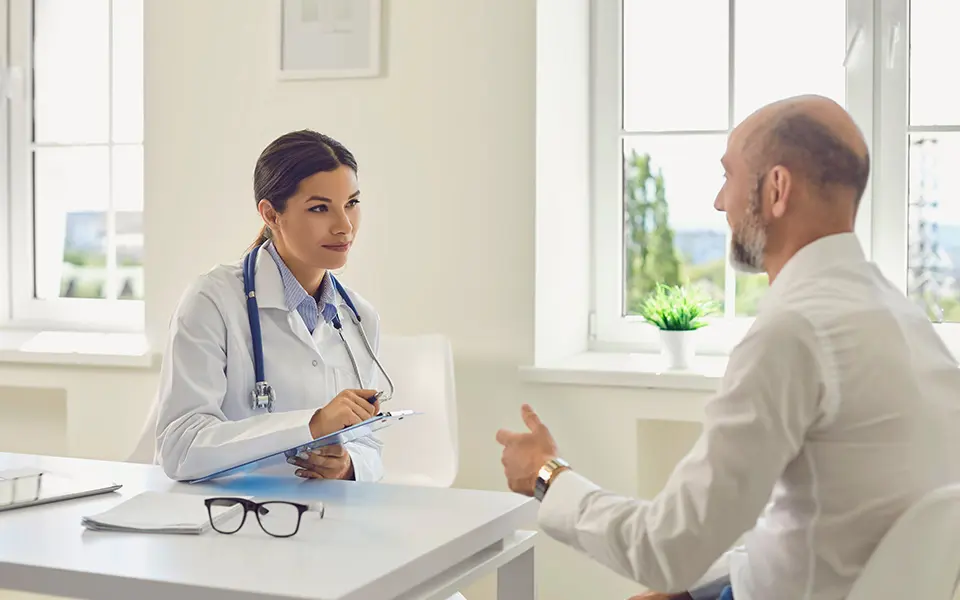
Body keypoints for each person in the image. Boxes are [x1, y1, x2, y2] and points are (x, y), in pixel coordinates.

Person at [496, 95, 960, 600]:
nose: (721, 202)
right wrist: (699, 589)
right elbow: (818, 535)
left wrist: (547, 474)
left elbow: (666, 549)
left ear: (776, 189)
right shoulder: (905, 321)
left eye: (729, 176)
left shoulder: (793, 333)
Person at [153, 129, 385, 483]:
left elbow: (368, 444)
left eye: (352, 203)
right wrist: (310, 426)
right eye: (320, 208)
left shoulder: (359, 317)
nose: (344, 227)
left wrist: (348, 466)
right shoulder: (211, 302)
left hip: (326, 517)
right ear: (271, 214)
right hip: (228, 519)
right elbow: (181, 447)